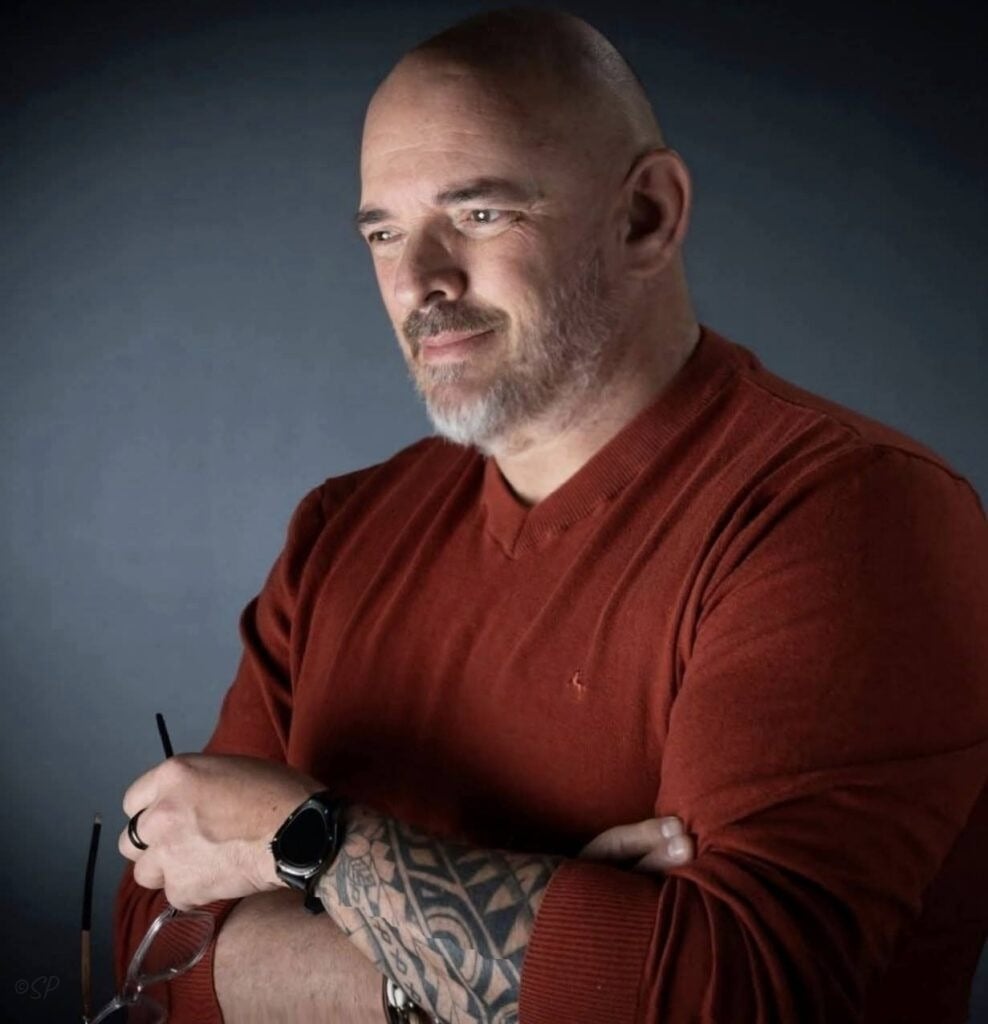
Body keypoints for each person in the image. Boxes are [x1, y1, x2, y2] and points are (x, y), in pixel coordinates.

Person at [113, 8, 988, 1023]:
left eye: (481, 213)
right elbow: (155, 950)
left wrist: (312, 843)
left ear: (646, 216)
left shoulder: (848, 513)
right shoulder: (340, 531)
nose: (419, 282)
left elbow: (728, 996)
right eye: (384, 233)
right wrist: (513, 949)